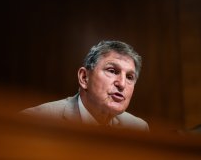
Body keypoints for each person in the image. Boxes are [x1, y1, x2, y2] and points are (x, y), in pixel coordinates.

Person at [21, 40, 149, 131]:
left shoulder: (137, 128)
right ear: (84, 78)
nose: (122, 84)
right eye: (112, 71)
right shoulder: (35, 120)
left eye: (129, 77)